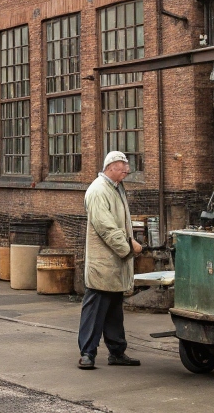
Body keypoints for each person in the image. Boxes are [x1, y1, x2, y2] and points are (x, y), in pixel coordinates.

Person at [77, 150, 143, 369]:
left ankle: (117, 352)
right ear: (111, 167)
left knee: (114, 309)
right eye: (123, 167)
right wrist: (128, 248)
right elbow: (106, 227)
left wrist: (127, 245)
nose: (126, 171)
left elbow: (120, 224)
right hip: (103, 262)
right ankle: (87, 353)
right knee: (95, 307)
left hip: (114, 262)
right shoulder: (98, 190)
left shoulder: (116, 187)